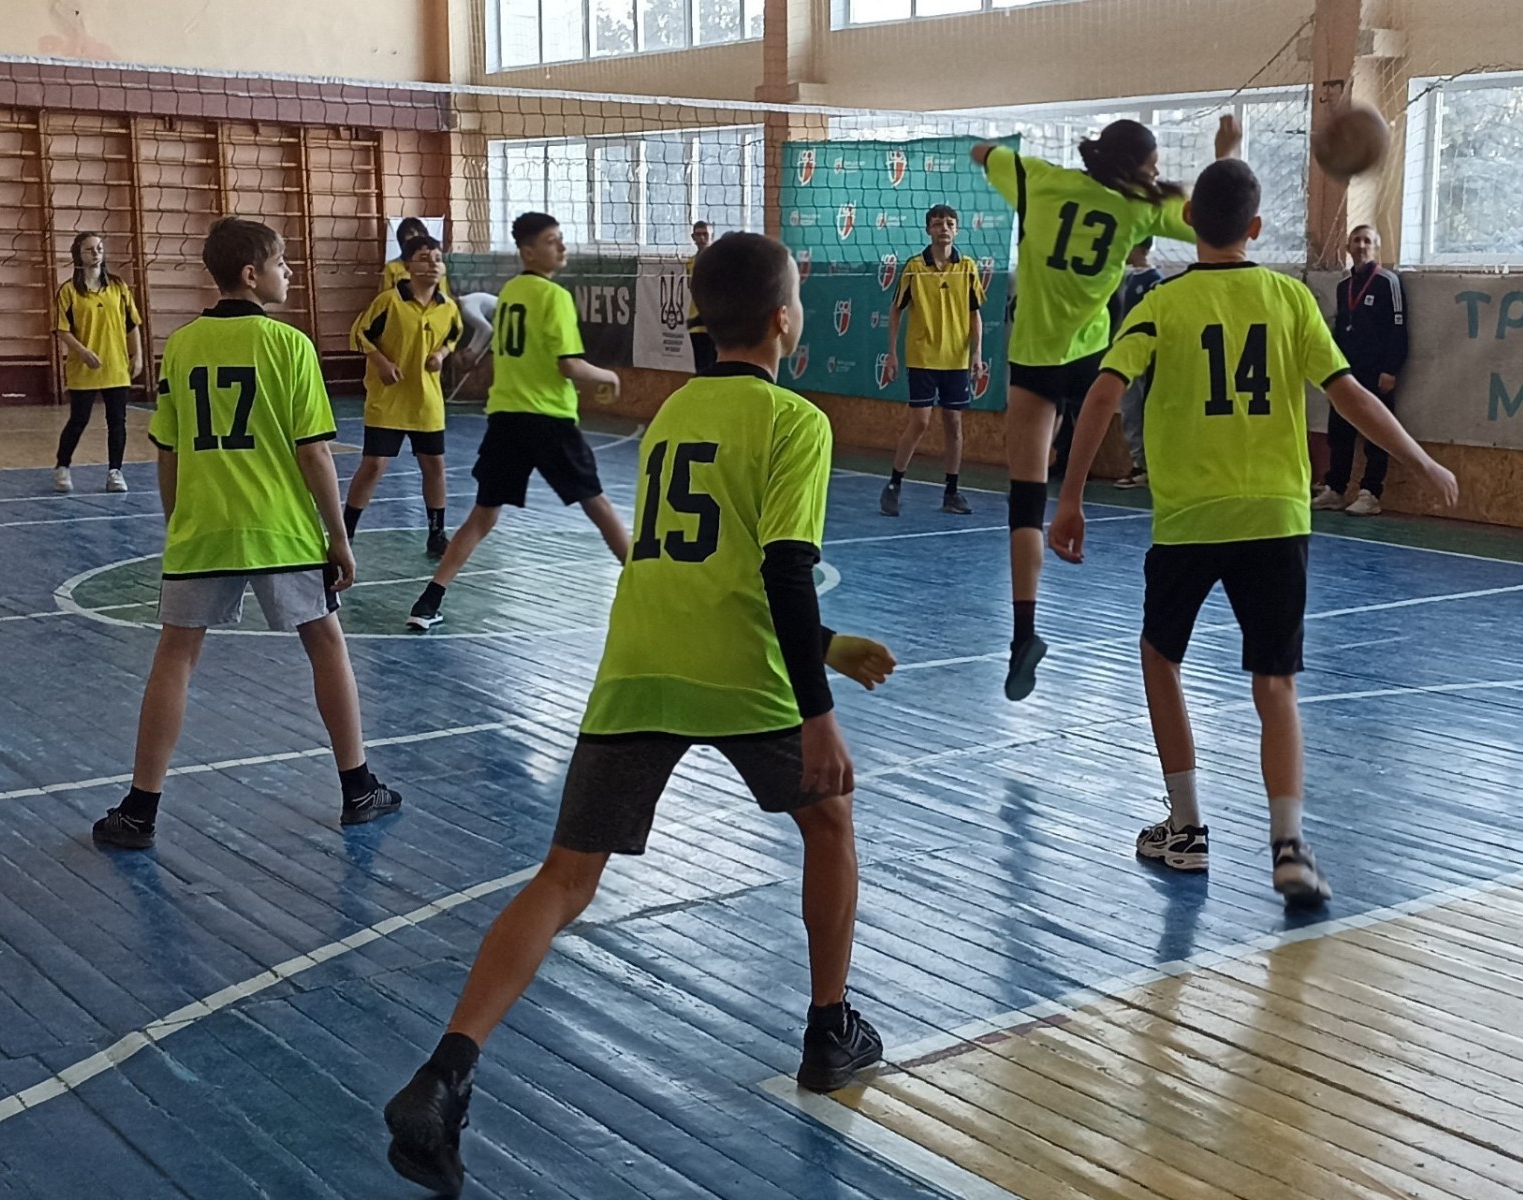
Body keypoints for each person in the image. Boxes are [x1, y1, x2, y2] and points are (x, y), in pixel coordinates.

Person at [382, 232, 896, 1196]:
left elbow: (711, 566)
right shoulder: (796, 422)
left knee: (564, 879)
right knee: (829, 821)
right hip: (740, 677)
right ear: (785, 320)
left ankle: (443, 1074)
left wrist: (826, 643)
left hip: (636, 665)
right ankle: (829, 1030)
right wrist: (818, 708)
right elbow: (781, 569)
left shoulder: (672, 415)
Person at [1048, 160, 1458, 905]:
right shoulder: (1289, 297)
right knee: (1276, 683)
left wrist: (1070, 498)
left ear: (1188, 224)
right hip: (1274, 517)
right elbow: (1350, 396)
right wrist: (1420, 460)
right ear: (1257, 228)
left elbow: (1104, 393)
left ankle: (1186, 827)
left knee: (1159, 658)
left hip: (1189, 519)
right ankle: (1289, 846)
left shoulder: (1161, 304)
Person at [90, 217, 402, 851]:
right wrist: (338, 537)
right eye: (283, 263)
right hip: (281, 529)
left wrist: (178, 522)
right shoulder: (290, 345)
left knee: (175, 656)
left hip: (202, 530)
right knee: (327, 645)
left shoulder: (181, 346)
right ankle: (358, 788)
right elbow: (314, 452)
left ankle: (140, 809)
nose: (291, 273)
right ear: (252, 274)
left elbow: (168, 450)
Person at [973, 115, 1242, 701]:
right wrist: (1225, 153)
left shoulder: (1039, 180)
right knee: (1115, 431)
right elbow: (1213, 217)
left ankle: (1024, 634)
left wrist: (1009, 162)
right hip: (1094, 356)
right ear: (1132, 169)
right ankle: (1096, 499)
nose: (1156, 174)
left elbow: (982, 151)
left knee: (1025, 502)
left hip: (1034, 358)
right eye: (1152, 166)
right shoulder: (1141, 208)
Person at [406, 212, 628, 631]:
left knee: (482, 515)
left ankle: (428, 600)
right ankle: (646, 583)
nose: (561, 247)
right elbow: (568, 365)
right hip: (547, 419)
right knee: (596, 503)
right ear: (528, 251)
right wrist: (608, 376)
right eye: (551, 240)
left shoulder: (510, 292)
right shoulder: (554, 296)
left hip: (506, 419)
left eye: (561, 239)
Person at [343, 236, 463, 559]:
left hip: (426, 401)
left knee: (434, 465)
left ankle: (436, 534)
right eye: (424, 257)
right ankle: (346, 531)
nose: (433, 263)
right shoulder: (389, 302)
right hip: (389, 399)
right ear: (408, 265)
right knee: (374, 465)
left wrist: (441, 354)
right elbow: (359, 334)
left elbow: (454, 335)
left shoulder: (448, 308)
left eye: (438, 257)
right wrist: (381, 362)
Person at [878, 204, 985, 517]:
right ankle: (894, 484)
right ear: (928, 230)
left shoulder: (967, 267)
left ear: (957, 229)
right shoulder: (914, 267)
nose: (944, 228)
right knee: (921, 421)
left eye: (950, 223)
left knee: (954, 423)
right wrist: (892, 353)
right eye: (938, 224)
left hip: (956, 360)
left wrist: (977, 352)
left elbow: (974, 314)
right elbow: (896, 310)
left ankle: (952, 491)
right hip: (922, 356)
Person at [1313, 224, 1409, 516]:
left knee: (1376, 432)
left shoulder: (1388, 282)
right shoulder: (1344, 286)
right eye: (1356, 240)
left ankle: (1370, 493)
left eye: (1367, 240)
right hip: (1346, 371)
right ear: (1348, 247)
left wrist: (1390, 369)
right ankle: (1336, 489)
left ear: (1376, 247)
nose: (1361, 245)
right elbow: (1342, 328)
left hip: (1376, 371)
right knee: (1339, 431)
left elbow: (1398, 328)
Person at [52, 232, 143, 494]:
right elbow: (62, 329)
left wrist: (137, 356)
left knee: (117, 421)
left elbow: (132, 325)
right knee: (78, 420)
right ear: (78, 254)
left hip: (116, 366)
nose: (96, 253)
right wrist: (82, 352)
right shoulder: (69, 291)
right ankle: (62, 467)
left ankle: (115, 472)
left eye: (100, 248)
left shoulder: (118, 286)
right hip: (84, 367)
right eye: (90, 249)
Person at [1114, 239, 1164, 489]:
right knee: (1130, 407)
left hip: (1146, 356)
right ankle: (1140, 462)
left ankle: (1147, 466)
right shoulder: (1126, 279)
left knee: (1142, 408)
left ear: (1139, 248)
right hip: (1127, 354)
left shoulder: (1155, 281)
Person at [381, 217, 450, 297]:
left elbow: (444, 296)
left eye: (420, 233)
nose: (416, 236)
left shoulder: (436, 267)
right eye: (410, 233)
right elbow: (384, 297)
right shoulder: (391, 267)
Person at [686, 220, 716, 372]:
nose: (702, 238)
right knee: (700, 365)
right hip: (696, 322)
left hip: (714, 322)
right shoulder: (690, 262)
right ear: (693, 237)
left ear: (712, 236)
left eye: (706, 234)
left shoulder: (719, 260)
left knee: (714, 365)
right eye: (698, 235)